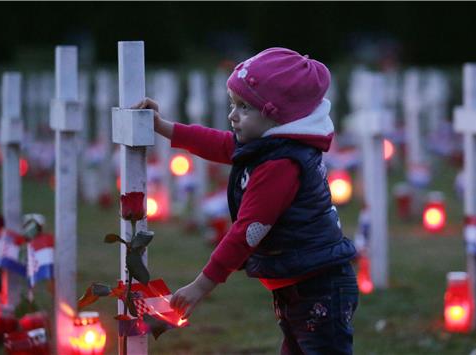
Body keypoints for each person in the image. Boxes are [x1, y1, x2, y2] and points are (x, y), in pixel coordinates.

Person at [134, 47, 358, 354]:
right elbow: (216, 142)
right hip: (297, 282)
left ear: (275, 114)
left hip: (319, 285)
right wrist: (164, 127)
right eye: (233, 104)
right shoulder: (267, 145)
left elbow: (247, 230)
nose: (232, 115)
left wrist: (201, 285)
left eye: (244, 107)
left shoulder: (281, 165)